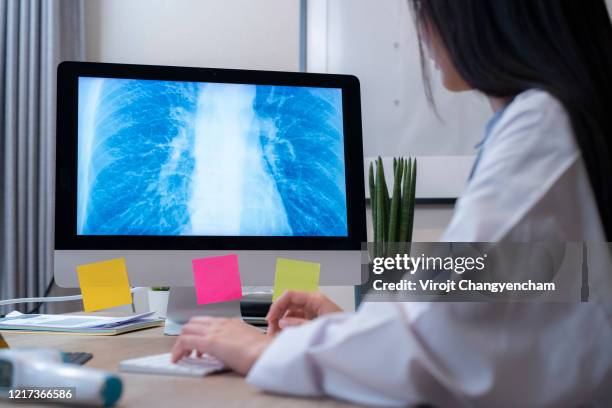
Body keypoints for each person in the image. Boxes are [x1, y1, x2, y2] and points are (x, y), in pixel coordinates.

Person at [171, 0, 612, 405]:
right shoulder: (562, 120)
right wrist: (350, 332)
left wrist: (260, 348)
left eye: (428, 10)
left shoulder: (542, 125)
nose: (423, 31)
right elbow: (513, 303)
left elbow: (447, 339)